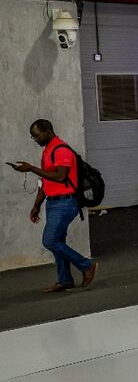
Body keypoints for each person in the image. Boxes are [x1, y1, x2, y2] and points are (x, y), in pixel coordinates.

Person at [11, 119, 98, 293]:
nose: (35, 139)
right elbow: (46, 182)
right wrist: (36, 206)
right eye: (33, 137)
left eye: (37, 135)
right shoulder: (48, 151)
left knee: (49, 240)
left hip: (66, 203)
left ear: (47, 131)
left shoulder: (61, 150)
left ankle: (86, 265)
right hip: (53, 203)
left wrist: (31, 168)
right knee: (57, 241)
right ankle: (65, 280)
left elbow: (59, 177)